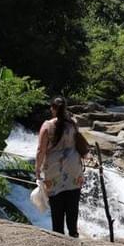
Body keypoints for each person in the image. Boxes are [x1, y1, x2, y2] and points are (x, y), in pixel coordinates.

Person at [35, 97, 84, 237]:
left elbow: (41, 150)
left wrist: (37, 169)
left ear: (53, 108)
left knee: (57, 207)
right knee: (72, 205)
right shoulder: (73, 123)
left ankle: (58, 236)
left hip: (54, 169)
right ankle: (73, 234)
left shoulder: (47, 126)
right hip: (74, 168)